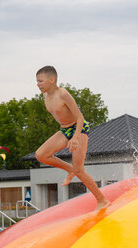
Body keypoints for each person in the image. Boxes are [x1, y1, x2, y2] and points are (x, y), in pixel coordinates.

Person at [34, 66, 110, 210]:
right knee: (41, 155)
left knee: (80, 170)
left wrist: (75, 138)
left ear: (52, 79)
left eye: (40, 81)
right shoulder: (45, 96)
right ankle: (70, 169)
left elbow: (80, 117)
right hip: (65, 130)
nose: (38, 84)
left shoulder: (63, 94)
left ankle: (102, 200)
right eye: (37, 82)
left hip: (78, 128)